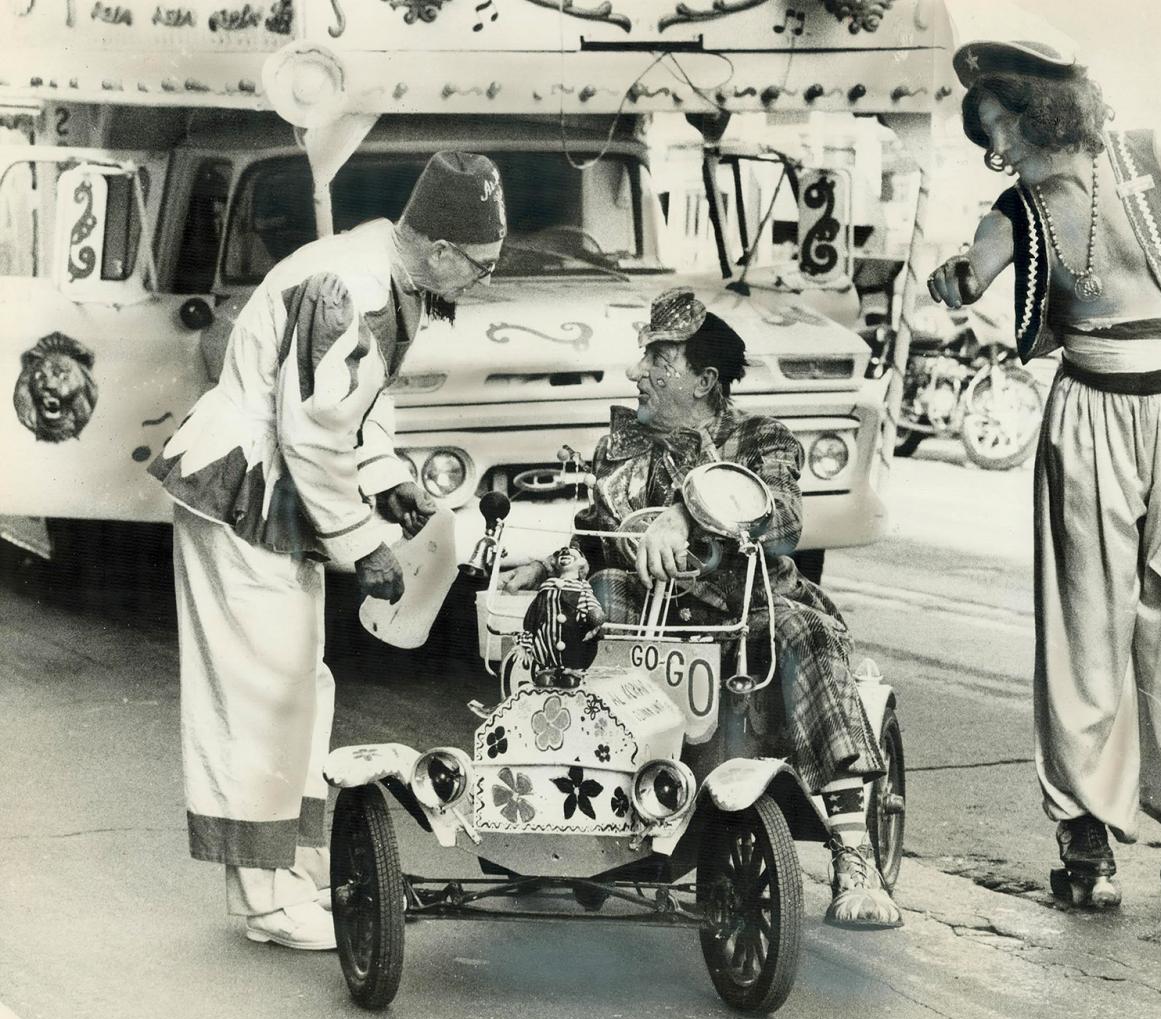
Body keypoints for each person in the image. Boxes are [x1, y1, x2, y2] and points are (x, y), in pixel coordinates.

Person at [928, 40, 1161, 902]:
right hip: (1088, 419)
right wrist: (959, 278)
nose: (994, 149)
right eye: (984, 136)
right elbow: (977, 264)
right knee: (1086, 620)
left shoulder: (1152, 163)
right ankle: (1085, 827)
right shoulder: (1016, 211)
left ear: (1042, 108)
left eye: (1001, 125)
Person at [150, 151, 506, 948]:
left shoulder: (390, 278)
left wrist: (388, 477)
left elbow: (353, 407)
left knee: (298, 687)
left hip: (277, 491)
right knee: (261, 693)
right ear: (440, 247)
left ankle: (293, 871)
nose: (480, 281)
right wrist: (364, 542)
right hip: (249, 490)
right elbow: (310, 433)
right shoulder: (352, 285)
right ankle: (263, 904)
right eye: (477, 266)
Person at [498, 287, 902, 930]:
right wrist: (549, 567)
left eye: (659, 359)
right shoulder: (619, 448)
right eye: (644, 356)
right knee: (582, 603)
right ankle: (564, 796)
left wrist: (688, 514)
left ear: (704, 380)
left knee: (807, 633)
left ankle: (853, 852)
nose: (638, 373)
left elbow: (784, 514)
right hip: (646, 610)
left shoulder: (761, 438)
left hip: (747, 607)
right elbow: (595, 534)